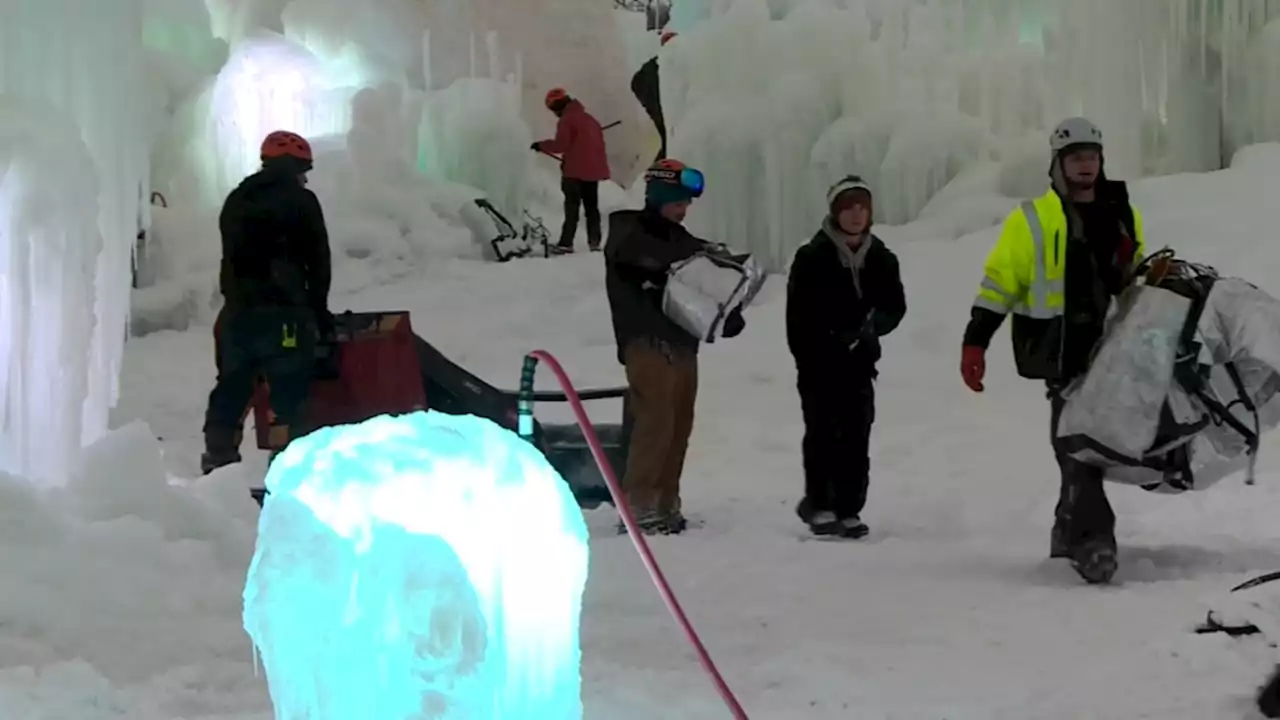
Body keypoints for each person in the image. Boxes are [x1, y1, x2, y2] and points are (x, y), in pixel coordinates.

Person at [959, 117, 1144, 584]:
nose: (1085, 165)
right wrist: (976, 340)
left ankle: (1068, 527)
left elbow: (1135, 276)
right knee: (1077, 444)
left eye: (1092, 157)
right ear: (1058, 164)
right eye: (1075, 157)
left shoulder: (1123, 211)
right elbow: (1001, 281)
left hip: (1110, 348)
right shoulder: (1033, 219)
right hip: (1059, 347)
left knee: (1084, 446)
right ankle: (1093, 540)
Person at [604, 158, 745, 534]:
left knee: (679, 423)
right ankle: (638, 505)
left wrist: (726, 303)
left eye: (687, 203)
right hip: (647, 342)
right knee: (655, 421)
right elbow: (647, 260)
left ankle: (666, 502)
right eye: (678, 201)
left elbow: (696, 278)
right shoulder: (628, 231)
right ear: (659, 196)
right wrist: (702, 260)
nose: (684, 210)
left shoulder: (681, 241)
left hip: (683, 344)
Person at [200, 130, 333, 475]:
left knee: (232, 385)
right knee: (290, 390)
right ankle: (290, 468)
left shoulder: (236, 199)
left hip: (236, 317)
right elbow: (317, 261)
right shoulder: (302, 201)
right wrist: (318, 311)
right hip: (283, 314)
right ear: (298, 168)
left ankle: (218, 460)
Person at [786, 176, 906, 539]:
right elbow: (797, 317)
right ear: (835, 212)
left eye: (862, 207)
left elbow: (895, 307)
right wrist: (814, 353)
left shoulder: (882, 257)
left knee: (857, 433)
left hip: (860, 363)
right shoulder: (811, 257)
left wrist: (872, 329)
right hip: (819, 363)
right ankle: (820, 504)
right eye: (848, 207)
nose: (855, 215)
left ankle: (850, 507)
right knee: (822, 432)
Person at [532, 88, 611, 253]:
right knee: (592, 208)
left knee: (572, 208)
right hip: (592, 172)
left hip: (574, 172)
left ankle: (566, 243)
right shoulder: (591, 120)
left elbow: (561, 145)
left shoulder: (566, 121)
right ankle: (594, 243)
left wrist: (541, 145)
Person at [630, 30, 676, 165]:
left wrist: (647, 104)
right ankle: (661, 169)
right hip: (663, 109)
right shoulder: (662, 64)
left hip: (658, 109)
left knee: (667, 139)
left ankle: (660, 168)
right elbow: (636, 83)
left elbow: (635, 83)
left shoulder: (652, 64)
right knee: (668, 140)